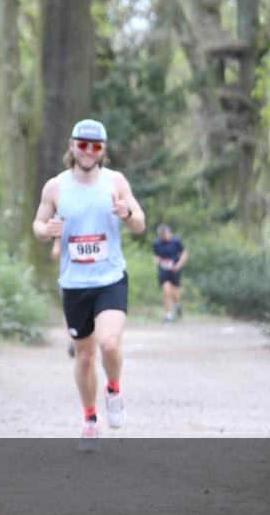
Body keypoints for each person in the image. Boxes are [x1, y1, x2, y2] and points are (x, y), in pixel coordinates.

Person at [32, 119, 145, 451]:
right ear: (72, 146)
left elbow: (140, 223)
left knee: (109, 344)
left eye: (95, 146)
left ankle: (113, 389)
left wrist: (126, 213)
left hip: (110, 278)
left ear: (103, 150)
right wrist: (46, 230)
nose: (88, 151)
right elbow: (38, 224)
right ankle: (90, 419)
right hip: (74, 283)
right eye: (83, 145)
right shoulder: (55, 187)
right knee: (83, 357)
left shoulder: (115, 182)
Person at [152, 223, 188, 322]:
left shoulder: (176, 241)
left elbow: (184, 253)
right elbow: (156, 256)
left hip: (174, 270)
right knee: (166, 292)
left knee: (175, 294)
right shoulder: (157, 243)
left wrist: (179, 264)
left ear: (169, 233)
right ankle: (168, 316)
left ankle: (178, 306)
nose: (164, 236)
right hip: (164, 270)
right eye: (162, 235)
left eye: (166, 234)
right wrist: (157, 260)